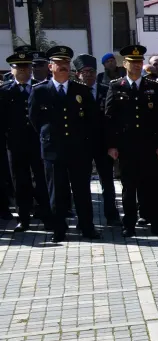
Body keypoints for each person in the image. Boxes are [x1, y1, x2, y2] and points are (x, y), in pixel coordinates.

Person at [30, 45, 100, 241]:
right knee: (57, 193)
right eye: (59, 63)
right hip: (54, 150)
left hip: (78, 150)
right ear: (50, 67)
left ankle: (87, 227)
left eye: (66, 63)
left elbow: (92, 120)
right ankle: (59, 230)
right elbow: (35, 120)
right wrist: (49, 137)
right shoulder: (40, 91)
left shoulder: (81, 91)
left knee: (82, 192)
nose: (63, 66)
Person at [106, 44, 158, 237]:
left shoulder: (154, 86)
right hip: (127, 147)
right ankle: (129, 224)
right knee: (128, 187)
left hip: (150, 146)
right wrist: (111, 145)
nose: (136, 65)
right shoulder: (116, 86)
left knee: (153, 186)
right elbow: (109, 118)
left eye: (139, 62)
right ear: (124, 64)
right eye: (132, 62)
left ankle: (155, 221)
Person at [3, 47, 51, 233]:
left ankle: (47, 216)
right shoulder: (5, 91)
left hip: (38, 142)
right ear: (12, 70)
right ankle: (23, 219)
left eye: (26, 68)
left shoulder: (41, 88)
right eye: (19, 68)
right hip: (15, 144)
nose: (23, 71)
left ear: (31, 69)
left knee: (42, 181)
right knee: (20, 182)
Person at [73, 53, 120, 225]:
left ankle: (112, 215)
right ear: (78, 74)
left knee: (107, 181)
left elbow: (111, 119)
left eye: (91, 71)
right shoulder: (72, 92)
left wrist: (112, 144)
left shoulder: (106, 89)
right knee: (81, 184)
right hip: (81, 145)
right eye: (84, 71)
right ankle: (84, 218)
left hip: (102, 144)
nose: (88, 74)